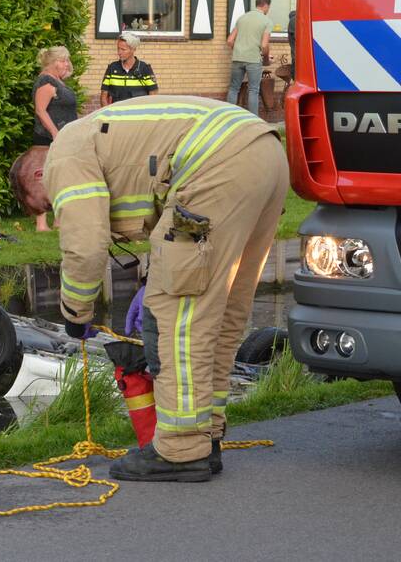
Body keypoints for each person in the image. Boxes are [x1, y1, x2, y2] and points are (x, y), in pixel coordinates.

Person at [15, 94, 288, 482]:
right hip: (265, 153)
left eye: (44, 207)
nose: (53, 215)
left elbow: (85, 242)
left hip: (215, 162)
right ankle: (205, 435)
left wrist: (76, 314)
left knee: (174, 318)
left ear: (37, 176)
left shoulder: (63, 155)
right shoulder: (102, 136)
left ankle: (180, 449)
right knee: (221, 312)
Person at [30, 46, 77, 230]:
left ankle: (58, 220)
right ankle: (41, 224)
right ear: (52, 62)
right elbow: (40, 111)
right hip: (47, 139)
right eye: (63, 60)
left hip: (62, 138)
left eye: (67, 60)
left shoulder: (56, 80)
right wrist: (55, 133)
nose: (66, 64)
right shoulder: (45, 83)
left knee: (60, 178)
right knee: (43, 178)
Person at [226, 0, 273, 115]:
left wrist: (238, 50)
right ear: (266, 6)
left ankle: (228, 118)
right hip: (253, 59)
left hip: (237, 57)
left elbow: (230, 41)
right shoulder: (266, 21)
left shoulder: (242, 18)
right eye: (269, 7)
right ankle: (253, 120)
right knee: (253, 90)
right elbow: (264, 45)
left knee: (233, 88)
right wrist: (266, 59)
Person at [100, 32, 158, 106]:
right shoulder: (112, 68)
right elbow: (103, 96)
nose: (119, 52)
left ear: (133, 50)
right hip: (116, 115)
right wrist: (108, 115)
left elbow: (153, 95)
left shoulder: (145, 68)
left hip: (137, 115)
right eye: (118, 49)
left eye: (123, 49)